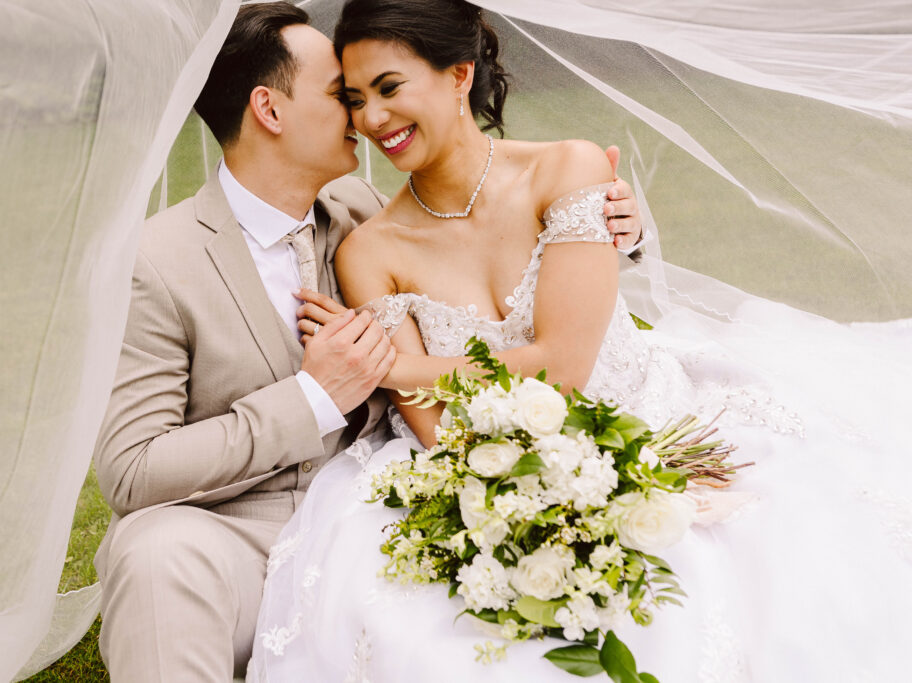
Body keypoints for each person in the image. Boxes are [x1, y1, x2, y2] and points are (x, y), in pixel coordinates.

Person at [247, 1, 912, 681]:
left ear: (458, 74)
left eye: (390, 88)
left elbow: (563, 366)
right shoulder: (370, 251)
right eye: (356, 100)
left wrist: (396, 365)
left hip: (649, 416)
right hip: (481, 475)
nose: (373, 119)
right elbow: (438, 431)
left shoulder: (570, 170)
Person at [90, 3, 642, 681]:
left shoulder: (352, 209)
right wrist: (314, 397)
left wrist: (611, 225)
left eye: (373, 92)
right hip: (238, 524)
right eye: (343, 96)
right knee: (156, 557)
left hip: (376, 506)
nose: (363, 119)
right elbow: (131, 469)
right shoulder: (159, 260)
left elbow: (485, 256)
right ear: (269, 110)